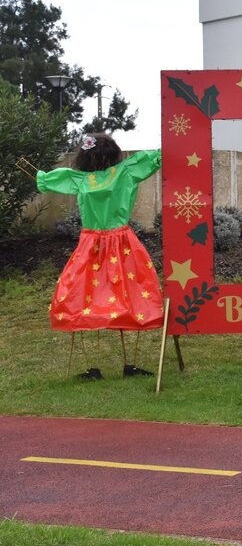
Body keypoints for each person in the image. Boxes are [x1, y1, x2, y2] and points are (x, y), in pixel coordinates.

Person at [36, 133, 163, 379]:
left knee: (85, 296)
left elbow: (50, 179)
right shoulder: (126, 171)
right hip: (119, 243)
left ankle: (96, 366)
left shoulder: (80, 179)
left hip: (94, 244)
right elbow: (155, 158)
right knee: (128, 294)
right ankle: (128, 364)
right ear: (113, 153)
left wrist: (41, 176)